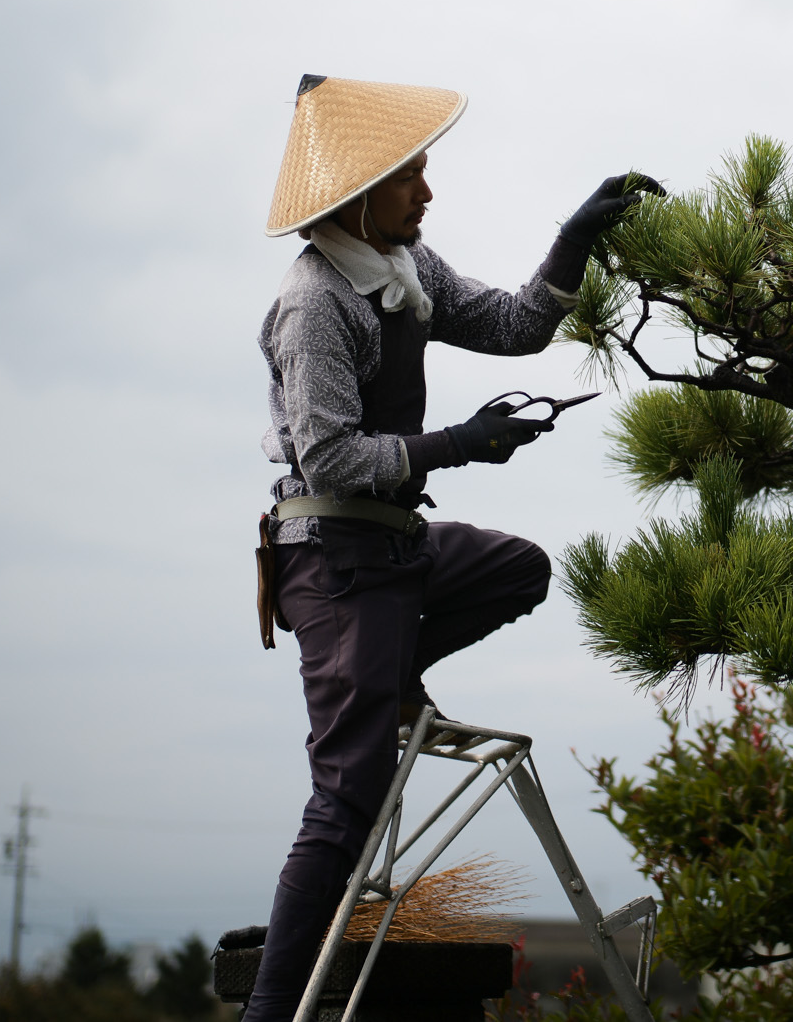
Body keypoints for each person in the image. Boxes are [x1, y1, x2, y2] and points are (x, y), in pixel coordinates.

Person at [242, 74, 660, 1021]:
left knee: (521, 568)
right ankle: (268, 1011)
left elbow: (516, 326)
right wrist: (459, 444)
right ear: (358, 196)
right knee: (348, 798)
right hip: (336, 564)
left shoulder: (407, 269)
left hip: (397, 548)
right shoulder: (317, 302)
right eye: (411, 178)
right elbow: (334, 457)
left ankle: (393, 675)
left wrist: (577, 235)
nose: (427, 193)